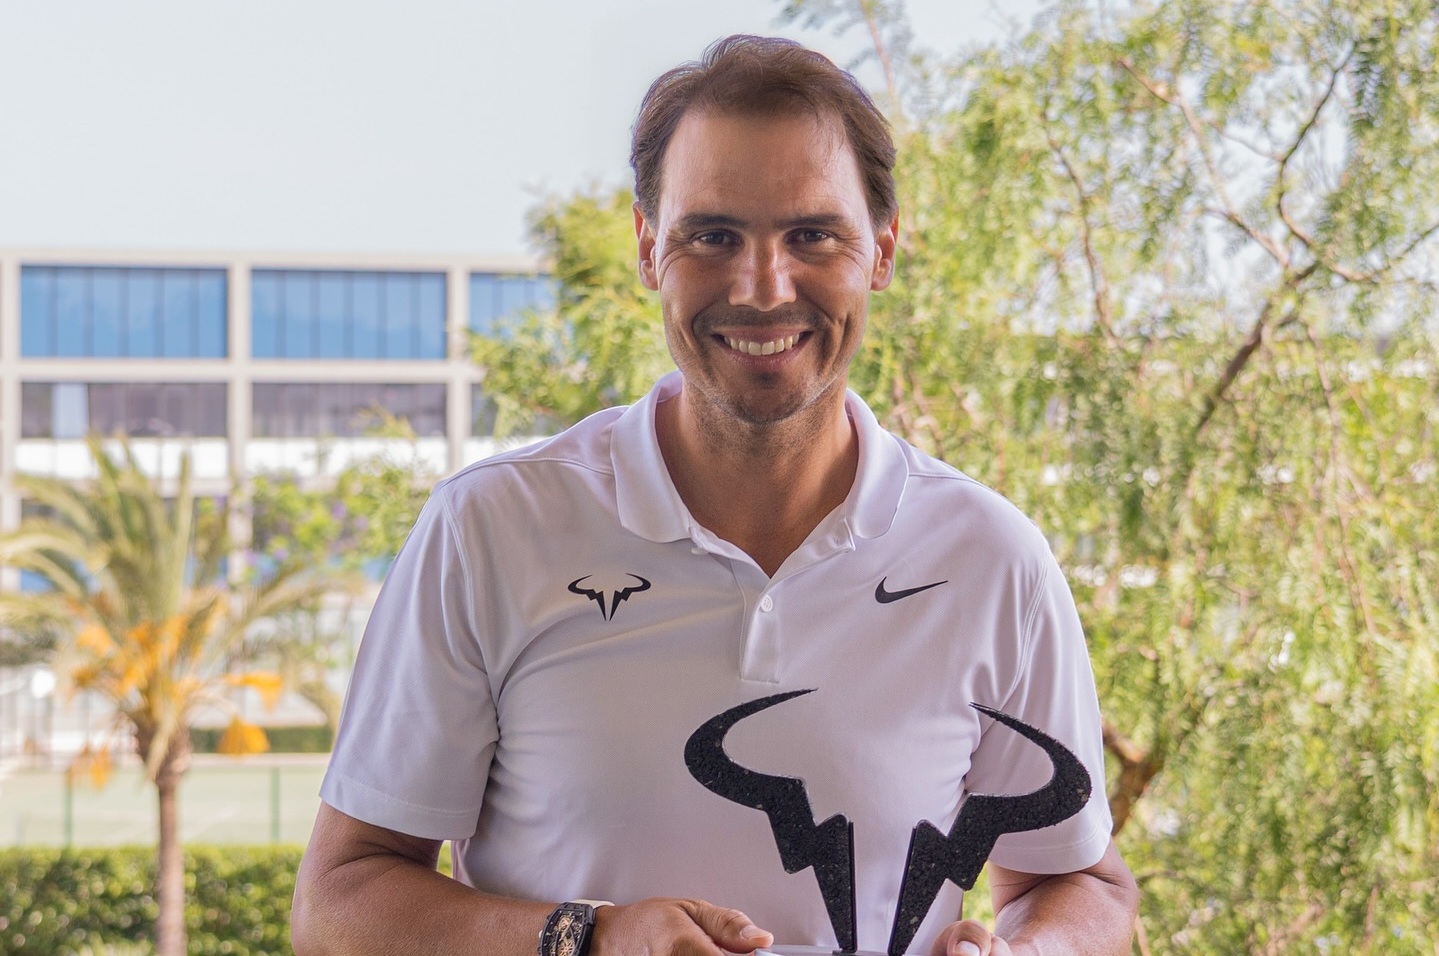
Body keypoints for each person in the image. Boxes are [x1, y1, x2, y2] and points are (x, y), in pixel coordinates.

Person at [292, 35, 1138, 956]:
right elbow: (338, 903)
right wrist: (587, 939)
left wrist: (1027, 952)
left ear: (882, 251)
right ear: (648, 248)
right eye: (712, 236)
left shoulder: (990, 558)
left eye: (811, 235)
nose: (762, 287)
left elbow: (1074, 880)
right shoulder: (490, 529)